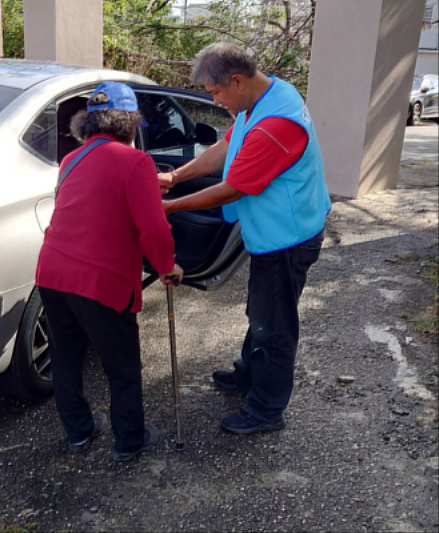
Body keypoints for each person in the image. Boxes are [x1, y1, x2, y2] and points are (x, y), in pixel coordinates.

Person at [158, 42, 331, 434]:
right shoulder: (267, 96)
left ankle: (267, 409)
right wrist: (175, 176)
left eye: (216, 92)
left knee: (274, 323)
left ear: (236, 80)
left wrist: (170, 207)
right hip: (280, 228)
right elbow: (224, 147)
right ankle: (250, 372)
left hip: (288, 238)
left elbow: (233, 187)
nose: (214, 100)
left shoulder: (277, 124)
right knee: (261, 312)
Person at [36, 82, 183, 462]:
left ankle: (79, 432)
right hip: (99, 280)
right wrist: (167, 267)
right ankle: (129, 439)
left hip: (52, 272)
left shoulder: (71, 160)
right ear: (129, 121)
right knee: (121, 364)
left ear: (89, 123)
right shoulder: (136, 162)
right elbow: (153, 229)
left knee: (66, 357)